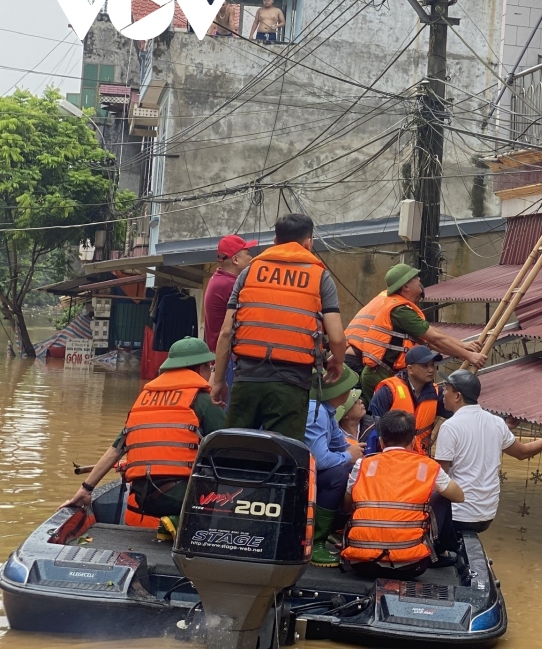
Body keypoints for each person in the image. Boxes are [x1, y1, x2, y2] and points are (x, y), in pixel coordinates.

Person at [59, 337, 224, 540]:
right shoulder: (202, 401)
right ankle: (178, 521)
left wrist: (85, 489)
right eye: (210, 367)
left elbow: (115, 450)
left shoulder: (143, 401)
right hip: (180, 499)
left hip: (143, 498)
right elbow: (228, 451)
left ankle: (173, 523)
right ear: (201, 368)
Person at [212, 213, 346, 442]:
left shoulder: (248, 273)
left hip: (247, 380)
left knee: (234, 453)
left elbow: (226, 332)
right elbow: (336, 336)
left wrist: (218, 380)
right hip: (291, 386)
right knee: (283, 459)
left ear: (275, 241)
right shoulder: (320, 277)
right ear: (308, 243)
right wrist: (338, 360)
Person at [434, 370, 542, 533]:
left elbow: (440, 476)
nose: (443, 392)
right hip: (487, 515)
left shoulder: (450, 427)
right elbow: (523, 453)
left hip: (459, 515)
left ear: (457, 396)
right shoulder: (497, 423)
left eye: (447, 388)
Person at [342, 410, 465, 578]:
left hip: (361, 565)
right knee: (442, 497)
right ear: (414, 441)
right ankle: (442, 553)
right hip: (411, 566)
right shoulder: (427, 466)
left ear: (381, 442)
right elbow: (459, 496)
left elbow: (346, 505)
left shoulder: (363, 464)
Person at [345, 262, 487, 402]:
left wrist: (462, 347)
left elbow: (431, 337)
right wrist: (469, 355)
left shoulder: (400, 307)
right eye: (415, 278)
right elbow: (434, 339)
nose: (420, 280)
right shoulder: (400, 310)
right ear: (405, 287)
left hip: (376, 369)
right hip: (373, 369)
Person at [305, 368, 365, 567]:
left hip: (309, 473)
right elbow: (320, 460)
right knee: (338, 474)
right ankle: (315, 541)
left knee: (350, 471)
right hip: (300, 476)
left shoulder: (326, 412)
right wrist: (349, 456)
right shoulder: (317, 412)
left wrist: (358, 456)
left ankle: (331, 528)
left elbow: (342, 445)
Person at [365, 345, 449, 456]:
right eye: (425, 366)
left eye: (432, 365)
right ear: (410, 369)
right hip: (392, 457)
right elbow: (372, 426)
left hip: (420, 458)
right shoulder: (388, 391)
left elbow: (458, 413)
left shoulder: (436, 393)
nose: (431, 370)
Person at [203, 234, 257, 392]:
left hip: (222, 359)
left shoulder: (219, 279)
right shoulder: (231, 285)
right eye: (248, 253)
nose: (251, 258)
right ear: (235, 260)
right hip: (228, 360)